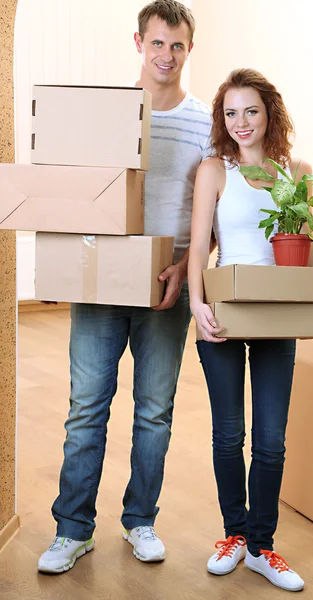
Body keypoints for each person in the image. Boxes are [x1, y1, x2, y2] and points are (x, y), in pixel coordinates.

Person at [38, 0, 211, 573]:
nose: (167, 55)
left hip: (168, 286)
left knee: (154, 411)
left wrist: (185, 269)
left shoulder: (207, 123)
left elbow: (211, 215)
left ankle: (140, 521)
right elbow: (70, 191)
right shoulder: (106, 115)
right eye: (157, 43)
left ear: (190, 49)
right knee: (86, 407)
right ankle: (72, 529)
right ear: (138, 44)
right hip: (102, 281)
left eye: (178, 45)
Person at [188, 68, 313, 592]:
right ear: (221, 119)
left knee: (271, 441)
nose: (241, 122)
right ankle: (234, 534)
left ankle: (262, 547)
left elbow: (307, 244)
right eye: (230, 112)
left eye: (251, 110)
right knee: (229, 435)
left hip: (278, 317)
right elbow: (199, 244)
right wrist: (195, 306)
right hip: (225, 314)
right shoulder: (214, 170)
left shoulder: (296, 170)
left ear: (270, 112)